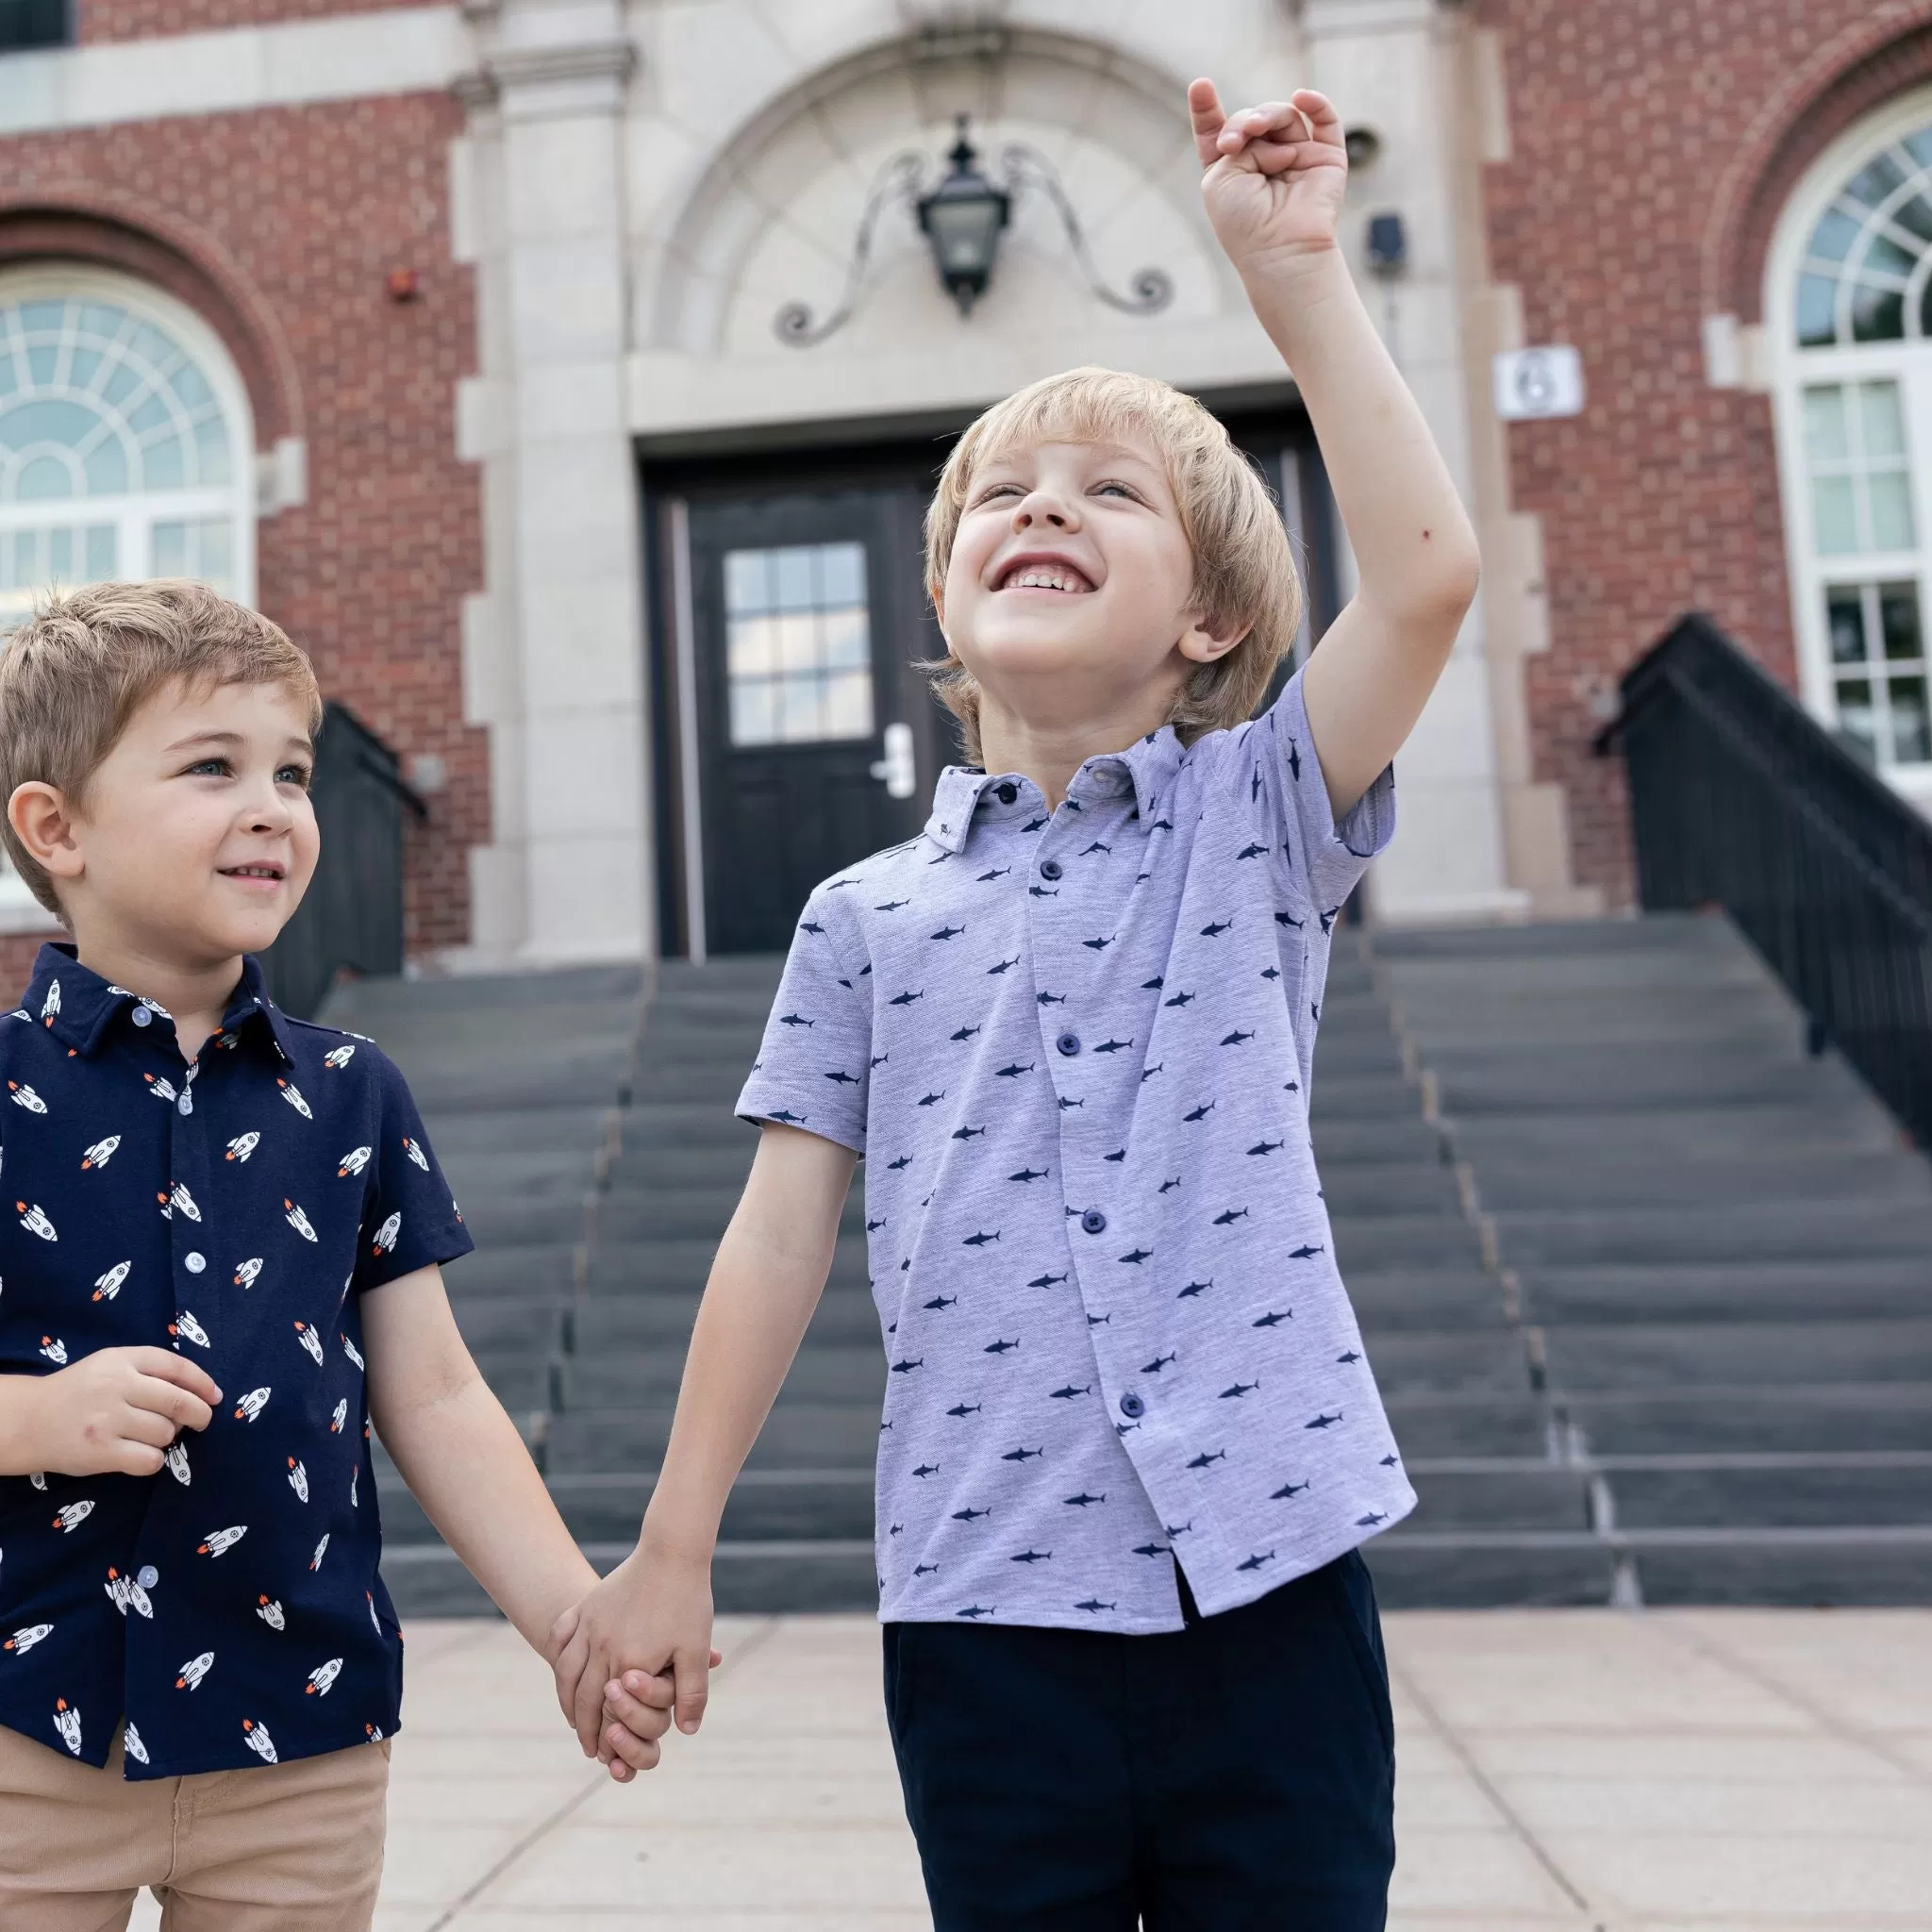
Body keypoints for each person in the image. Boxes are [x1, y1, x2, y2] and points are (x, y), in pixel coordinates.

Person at [559, 80, 1481, 1926]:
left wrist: (1293, 273)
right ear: (946, 589)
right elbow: (773, 1240)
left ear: (1210, 622)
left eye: (1106, 495)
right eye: (999, 496)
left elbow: (1432, 575)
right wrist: (670, 1549)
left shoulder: (1256, 817)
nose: (1038, 507)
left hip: (1268, 1579)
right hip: (983, 1604)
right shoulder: (862, 917)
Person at [0, 581, 675, 1932]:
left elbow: (431, 1396)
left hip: (298, 1732)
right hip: (26, 1736)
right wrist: (34, 1417)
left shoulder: (353, 1095)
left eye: (294, 773)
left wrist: (568, 1621)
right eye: (213, 767)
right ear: (54, 826)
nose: (275, 806)